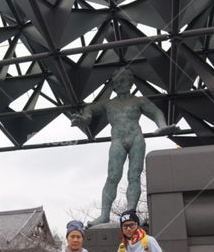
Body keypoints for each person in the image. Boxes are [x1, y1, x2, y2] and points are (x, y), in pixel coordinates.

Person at [70, 68, 177, 227]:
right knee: (112, 176)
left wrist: (162, 126)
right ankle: (104, 215)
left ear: (131, 82)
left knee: (134, 176)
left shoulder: (139, 101)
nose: (121, 84)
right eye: (118, 82)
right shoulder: (109, 103)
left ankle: (130, 212)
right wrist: (85, 119)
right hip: (118, 140)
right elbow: (90, 108)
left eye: (124, 80)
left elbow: (156, 112)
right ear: (113, 86)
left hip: (136, 139)